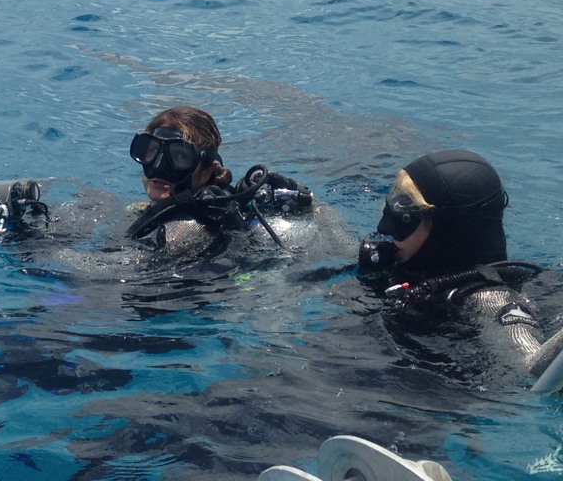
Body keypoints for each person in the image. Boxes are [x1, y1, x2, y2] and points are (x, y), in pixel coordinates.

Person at [357, 149, 563, 390]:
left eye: (405, 217)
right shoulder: (413, 262)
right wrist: (311, 209)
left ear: (446, 232)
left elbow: (533, 369)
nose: (386, 226)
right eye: (393, 206)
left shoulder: (491, 299)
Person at [124, 106, 315, 257]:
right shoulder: (224, 207)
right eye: (151, 151)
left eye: (179, 156)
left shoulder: (184, 229)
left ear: (208, 168)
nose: (158, 166)